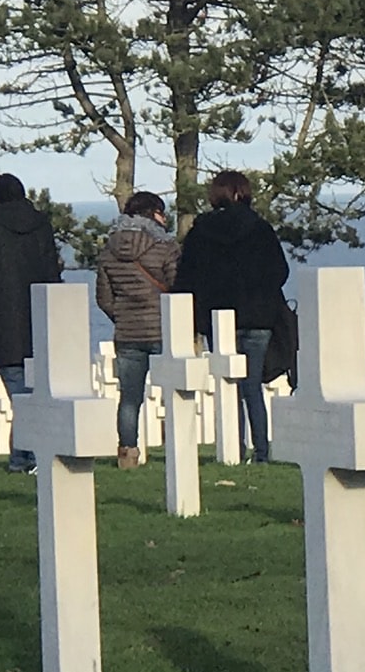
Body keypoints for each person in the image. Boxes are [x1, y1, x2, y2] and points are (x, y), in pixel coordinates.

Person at [174, 170, 289, 463]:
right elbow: (280, 271)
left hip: (219, 319)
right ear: (242, 193)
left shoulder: (200, 233)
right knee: (252, 386)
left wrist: (197, 317)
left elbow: (186, 279)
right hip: (258, 318)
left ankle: (233, 449)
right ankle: (261, 452)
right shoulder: (260, 229)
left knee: (228, 387)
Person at [0, 172, 63, 472]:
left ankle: (24, 456)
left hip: (3, 324)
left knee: (19, 392)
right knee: (32, 393)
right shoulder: (41, 226)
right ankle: (28, 454)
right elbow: (51, 273)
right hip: (40, 321)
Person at [94, 190, 178, 469]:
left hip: (128, 333)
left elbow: (104, 298)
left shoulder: (109, 250)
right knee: (177, 393)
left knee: (130, 398)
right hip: (163, 329)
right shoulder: (165, 247)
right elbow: (177, 288)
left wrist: (121, 316)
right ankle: (179, 448)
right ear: (153, 213)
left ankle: (127, 452)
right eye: (161, 212)